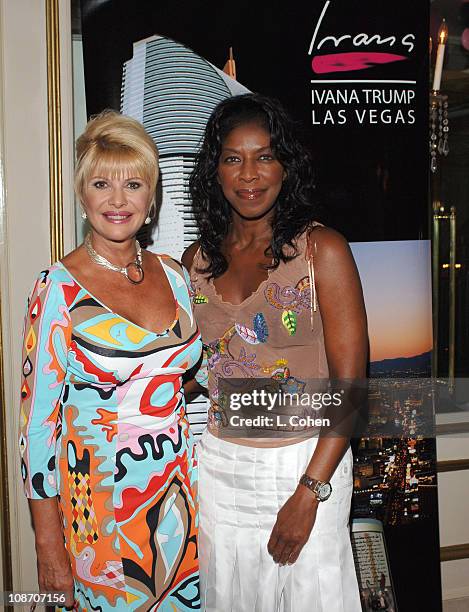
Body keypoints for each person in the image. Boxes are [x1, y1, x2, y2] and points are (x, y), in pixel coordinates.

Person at [182, 94, 367, 611]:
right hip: (220, 466)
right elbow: (204, 366)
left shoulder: (321, 251)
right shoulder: (193, 261)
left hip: (307, 464)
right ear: (213, 170)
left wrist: (310, 492)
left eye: (264, 156)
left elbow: (351, 388)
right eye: (233, 158)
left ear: (286, 165)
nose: (250, 173)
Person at [19, 110, 201, 611]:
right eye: (102, 183)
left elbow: (192, 379)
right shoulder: (57, 289)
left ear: (152, 197)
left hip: (183, 502)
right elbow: (36, 429)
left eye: (134, 184)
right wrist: (47, 542)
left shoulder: (174, 274)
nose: (118, 200)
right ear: (83, 195)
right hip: (101, 511)